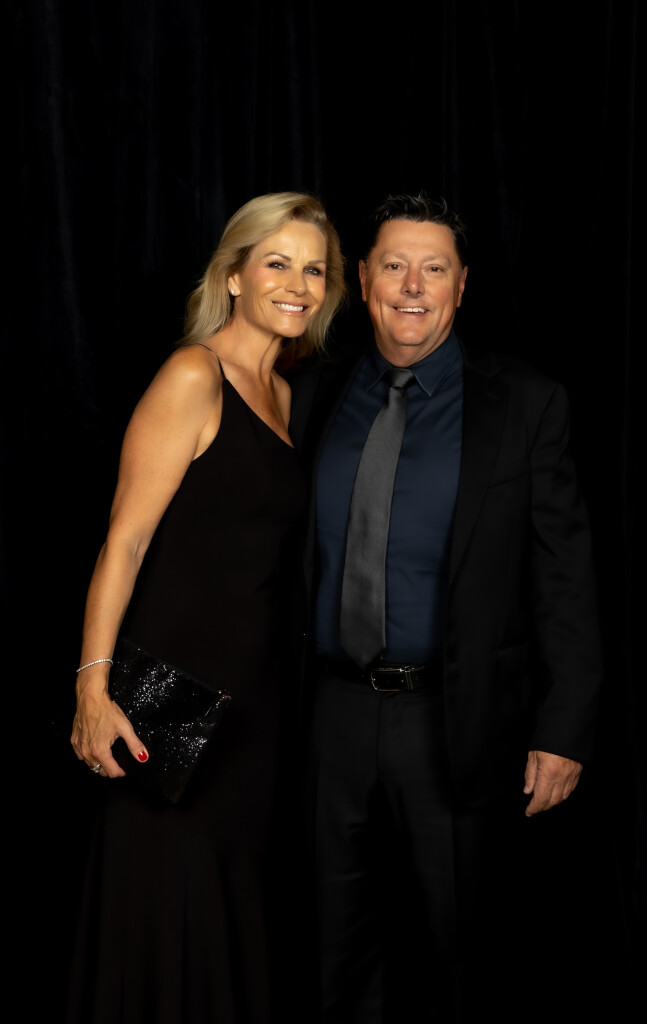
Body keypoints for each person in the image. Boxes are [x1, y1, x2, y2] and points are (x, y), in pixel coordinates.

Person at [288, 193, 603, 1021]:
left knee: (457, 954)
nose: (412, 287)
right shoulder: (310, 390)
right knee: (327, 953)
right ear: (363, 278)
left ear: (461, 285)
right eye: (394, 266)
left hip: (456, 721)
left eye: (433, 269)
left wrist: (562, 728)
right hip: (327, 715)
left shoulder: (525, 402)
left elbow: (564, 579)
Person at [67, 191, 346, 1024]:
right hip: (170, 705)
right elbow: (124, 542)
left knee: (233, 912)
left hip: (256, 709)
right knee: (163, 904)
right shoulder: (193, 374)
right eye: (277, 263)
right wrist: (92, 687)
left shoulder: (286, 394)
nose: (297, 285)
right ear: (232, 275)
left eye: (314, 270)